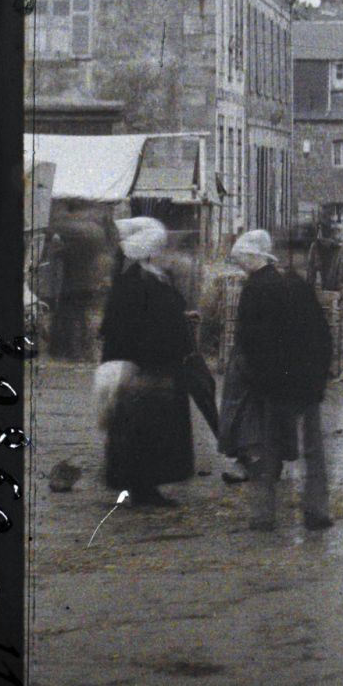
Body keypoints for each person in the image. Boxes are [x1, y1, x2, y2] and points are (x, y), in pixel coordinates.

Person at [223, 230, 334, 532]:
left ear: (253, 257)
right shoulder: (299, 287)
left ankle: (263, 514)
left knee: (267, 450)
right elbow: (322, 336)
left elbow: (250, 341)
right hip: (305, 383)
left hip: (274, 385)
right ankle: (316, 510)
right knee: (312, 450)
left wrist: (257, 379)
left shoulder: (254, 290)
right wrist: (318, 377)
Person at [99, 217, 198, 509]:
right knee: (147, 429)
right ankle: (143, 487)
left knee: (148, 427)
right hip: (148, 366)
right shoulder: (136, 281)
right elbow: (136, 325)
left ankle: (144, 485)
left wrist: (180, 318)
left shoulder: (142, 277)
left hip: (153, 364)